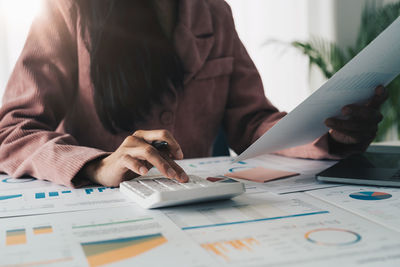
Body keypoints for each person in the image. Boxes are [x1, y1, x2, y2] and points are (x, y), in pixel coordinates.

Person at [0, 0, 387, 188]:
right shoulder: (67, 9)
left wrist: (327, 134)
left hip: (193, 203)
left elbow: (250, 122)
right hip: (94, 207)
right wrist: (97, 166)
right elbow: (13, 130)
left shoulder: (214, 11)